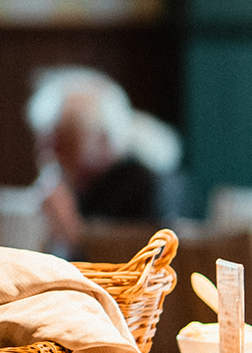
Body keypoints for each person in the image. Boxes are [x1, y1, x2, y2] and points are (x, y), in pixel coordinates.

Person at [27, 67, 184, 259]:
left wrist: (74, 235)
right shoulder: (74, 185)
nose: (49, 150)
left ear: (104, 139)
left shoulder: (146, 186)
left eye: (65, 136)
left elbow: (139, 270)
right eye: (46, 136)